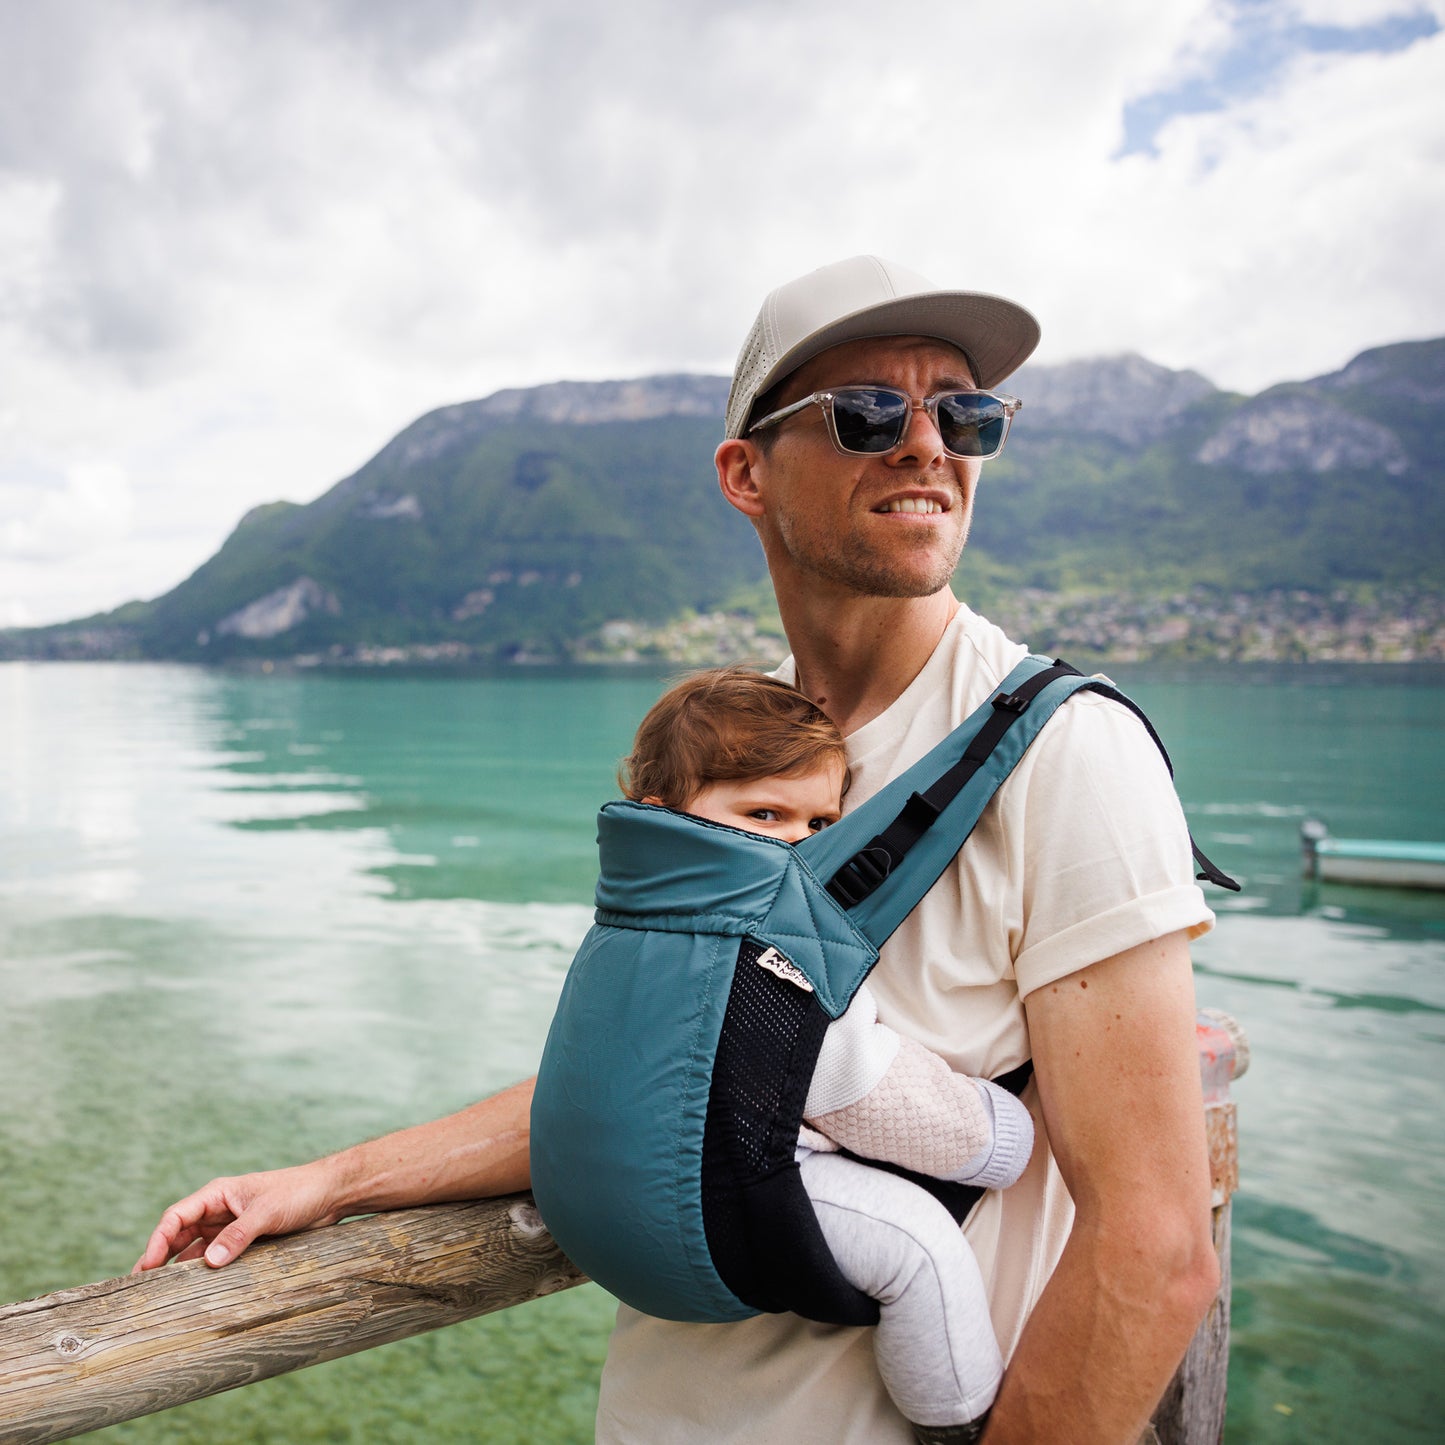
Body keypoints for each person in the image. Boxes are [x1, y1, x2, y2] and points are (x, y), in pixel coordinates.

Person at [137, 255, 1220, 1445]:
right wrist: (332, 1182)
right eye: (868, 412)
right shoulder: (747, 761)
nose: (926, 445)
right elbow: (673, 1075)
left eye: (963, 413)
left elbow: (1154, 1247)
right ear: (743, 473)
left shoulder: (1065, 751)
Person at [615, 664, 1036, 1443]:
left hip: (631, 1173)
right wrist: (1003, 1137)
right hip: (718, 1186)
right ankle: (957, 1420)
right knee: (919, 1245)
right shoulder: (768, 947)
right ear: (665, 816)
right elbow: (857, 1082)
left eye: (818, 824)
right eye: (765, 812)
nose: (799, 846)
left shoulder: (633, 916)